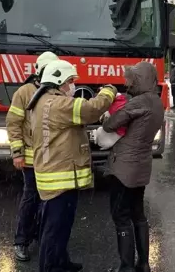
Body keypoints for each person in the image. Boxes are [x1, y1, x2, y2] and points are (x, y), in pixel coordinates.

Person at [26, 59, 117, 272]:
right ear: (60, 82)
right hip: (59, 177)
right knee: (53, 230)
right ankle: (49, 267)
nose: (73, 86)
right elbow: (90, 109)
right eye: (71, 81)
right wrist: (108, 92)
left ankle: (60, 262)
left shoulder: (44, 101)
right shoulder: (59, 104)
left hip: (57, 174)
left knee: (61, 228)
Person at [102, 61, 165, 272]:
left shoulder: (138, 102)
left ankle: (126, 266)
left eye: (131, 79)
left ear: (140, 80)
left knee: (121, 216)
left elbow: (110, 125)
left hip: (123, 169)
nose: (127, 84)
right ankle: (143, 263)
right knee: (138, 214)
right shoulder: (156, 101)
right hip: (141, 166)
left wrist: (105, 115)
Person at [5, 51, 59, 262]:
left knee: (50, 200)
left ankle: (42, 236)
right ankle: (21, 241)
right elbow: (13, 123)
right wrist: (17, 153)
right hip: (30, 157)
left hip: (52, 157)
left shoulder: (57, 91)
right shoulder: (25, 92)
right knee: (31, 198)